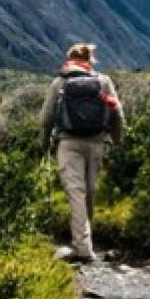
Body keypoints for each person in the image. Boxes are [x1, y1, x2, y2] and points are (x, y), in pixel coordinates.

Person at [40, 43, 124, 263]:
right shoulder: (103, 81)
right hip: (96, 143)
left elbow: (46, 118)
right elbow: (117, 112)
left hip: (68, 143)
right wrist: (117, 140)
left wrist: (44, 146)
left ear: (69, 59)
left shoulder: (59, 82)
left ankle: (83, 248)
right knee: (90, 191)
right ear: (90, 60)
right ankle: (86, 243)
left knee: (75, 192)